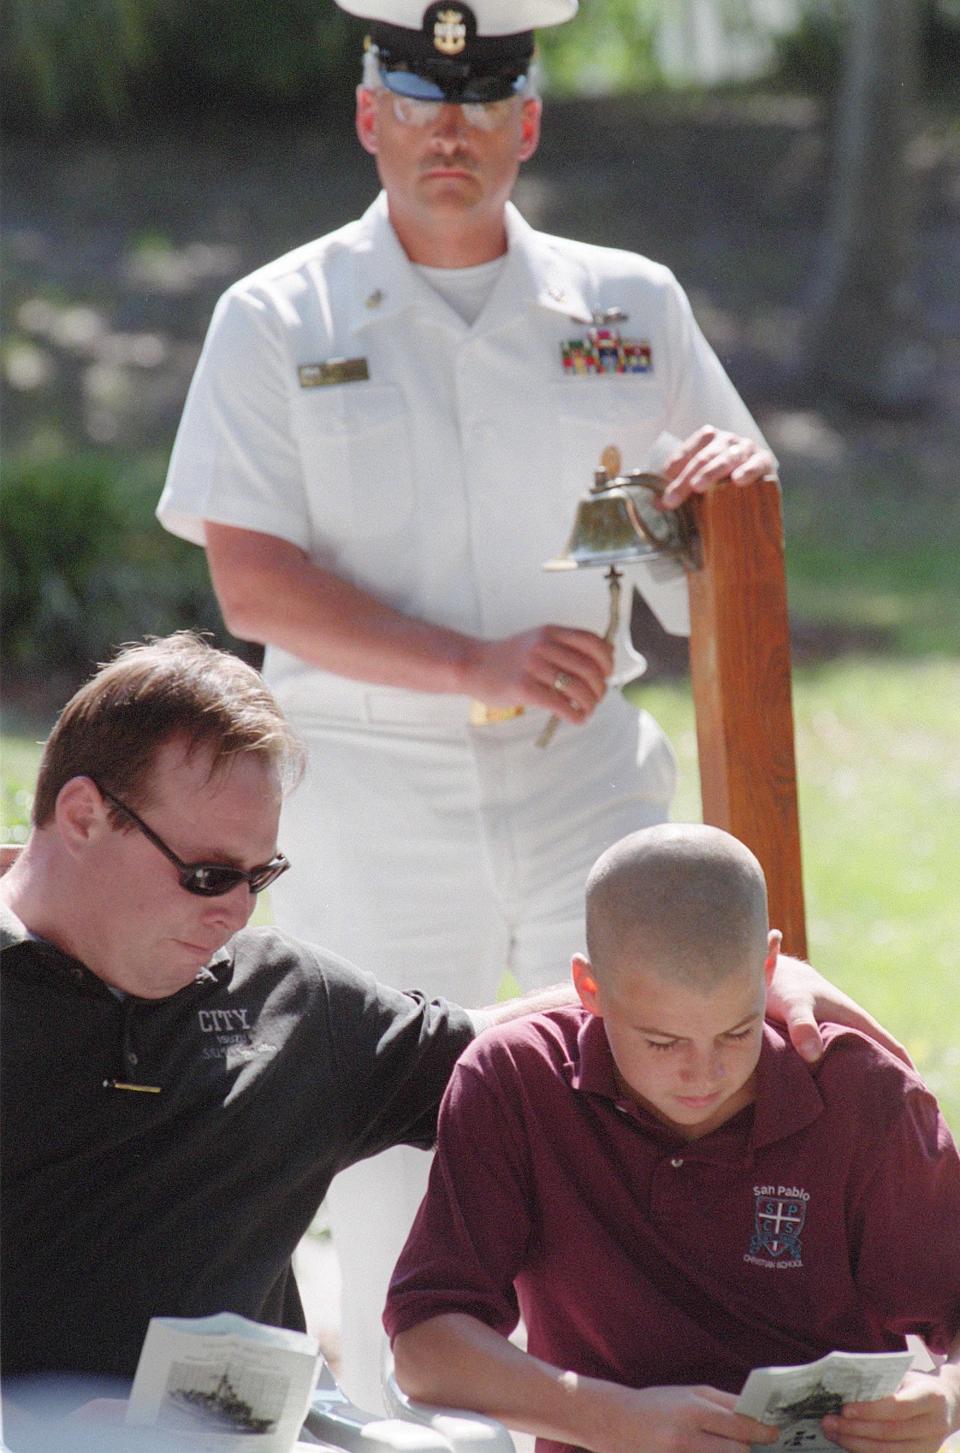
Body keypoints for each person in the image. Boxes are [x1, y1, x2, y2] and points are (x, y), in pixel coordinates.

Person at [155, 0, 788, 1405]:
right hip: (372, 783)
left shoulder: (633, 306)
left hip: (587, 778)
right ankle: (399, 1421)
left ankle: (635, 1409)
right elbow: (251, 581)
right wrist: (472, 663)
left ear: (530, 123)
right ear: (370, 117)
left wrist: (703, 514)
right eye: (422, 100)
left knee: (648, 1093)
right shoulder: (277, 314)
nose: (454, 129)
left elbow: (725, 548)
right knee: (393, 1143)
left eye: (486, 98)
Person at [0, 637, 887, 1428]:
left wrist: (740, 988)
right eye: (205, 874)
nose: (235, 910)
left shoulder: (287, 1003)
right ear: (82, 816)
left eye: (258, 874)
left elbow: (499, 1047)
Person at [386, 825, 960, 1453]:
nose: (704, 1073)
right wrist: (615, 1419)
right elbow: (424, 1344)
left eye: (737, 1033)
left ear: (769, 969)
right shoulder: (516, 1081)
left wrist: (949, 1396)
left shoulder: (863, 1095)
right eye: (662, 1042)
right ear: (589, 989)